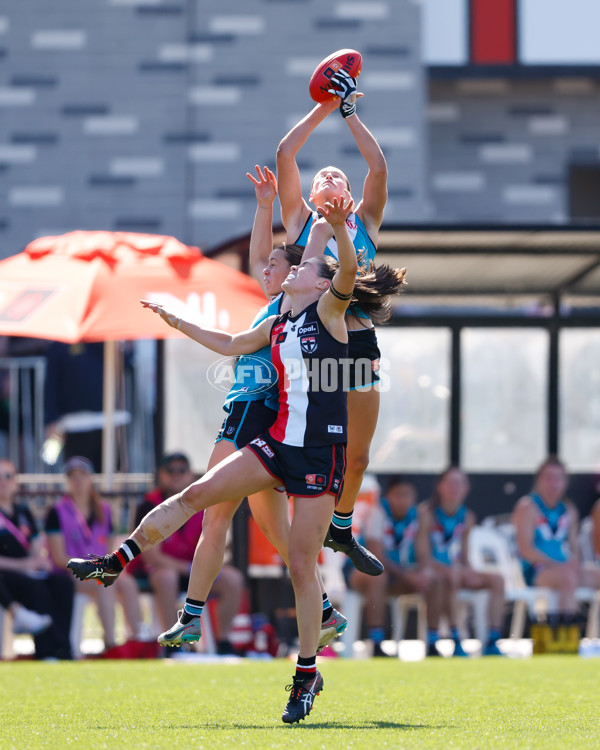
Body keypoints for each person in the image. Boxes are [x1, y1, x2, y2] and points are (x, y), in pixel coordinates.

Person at [68, 194, 360, 724]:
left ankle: (305, 675)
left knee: (299, 565)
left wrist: (337, 227)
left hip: (320, 453)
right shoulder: (276, 324)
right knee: (198, 496)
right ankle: (117, 562)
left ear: (318, 282)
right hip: (276, 444)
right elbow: (229, 342)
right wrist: (176, 322)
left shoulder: (331, 310)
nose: (281, 267)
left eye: (298, 267)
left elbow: (346, 268)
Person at [276, 70, 389, 576]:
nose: (328, 179)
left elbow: (378, 167)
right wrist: (323, 106)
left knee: (359, 456)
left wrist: (350, 114)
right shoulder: (301, 220)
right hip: (312, 345)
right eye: (320, 178)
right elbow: (285, 154)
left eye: (336, 177)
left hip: (359, 340)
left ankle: (341, 529)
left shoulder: (364, 222)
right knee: (313, 440)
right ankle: (304, 535)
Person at [129, 451, 245, 655]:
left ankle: (223, 641)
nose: (176, 475)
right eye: (170, 470)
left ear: (191, 475)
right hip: (158, 570)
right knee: (167, 577)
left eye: (182, 470)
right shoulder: (149, 504)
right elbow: (152, 557)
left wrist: (205, 567)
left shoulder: (204, 502)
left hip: (193, 569)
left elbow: (214, 544)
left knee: (233, 579)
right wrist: (191, 568)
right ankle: (171, 643)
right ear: (160, 475)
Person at [45, 456, 143, 652]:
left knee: (128, 583)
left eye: (83, 475)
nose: (78, 481)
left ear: (91, 479)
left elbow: (109, 550)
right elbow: (58, 557)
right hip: (69, 574)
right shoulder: (56, 512)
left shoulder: (104, 511)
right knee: (104, 582)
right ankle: (110, 644)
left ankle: (138, 640)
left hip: (100, 570)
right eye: (73, 477)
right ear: (68, 481)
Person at [345, 477, 445, 657]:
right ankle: (376, 643)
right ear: (388, 496)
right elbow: (375, 557)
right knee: (378, 576)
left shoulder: (420, 516)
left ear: (414, 497)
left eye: (407, 495)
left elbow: (423, 554)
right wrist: (409, 576)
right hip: (362, 572)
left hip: (398, 575)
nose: (402, 500)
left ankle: (432, 642)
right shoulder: (376, 512)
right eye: (397, 495)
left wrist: (423, 572)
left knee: (434, 580)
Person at [421, 466, 506, 657]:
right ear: (440, 487)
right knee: (450, 577)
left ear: (466, 488)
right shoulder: (426, 514)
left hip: (454, 572)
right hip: (433, 573)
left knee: (497, 579)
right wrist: (452, 570)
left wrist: (467, 569)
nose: (455, 488)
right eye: (450, 483)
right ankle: (454, 637)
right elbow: (423, 558)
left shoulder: (467, 516)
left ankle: (492, 639)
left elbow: (464, 557)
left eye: (460, 483)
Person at [0, 457, 73, 659]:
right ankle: (46, 652)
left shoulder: (23, 511)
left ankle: (64, 649)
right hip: (6, 575)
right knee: (36, 589)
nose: (3, 481)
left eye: (7, 476)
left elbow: (33, 542)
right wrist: (21, 565)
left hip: (27, 570)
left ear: (15, 481)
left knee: (62, 584)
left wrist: (36, 561)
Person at [512, 456, 600, 622]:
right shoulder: (527, 507)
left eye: (558, 478)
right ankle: (563, 632)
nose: (553, 483)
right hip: (535, 571)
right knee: (567, 578)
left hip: (564, 568)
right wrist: (557, 565)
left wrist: (574, 561)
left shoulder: (568, 509)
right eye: (548, 478)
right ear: (538, 480)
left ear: (565, 482)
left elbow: (574, 548)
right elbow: (525, 549)